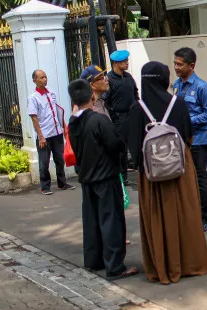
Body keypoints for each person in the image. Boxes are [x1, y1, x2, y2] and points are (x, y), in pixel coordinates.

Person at [126, 61, 207, 285]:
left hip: (151, 174)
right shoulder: (178, 103)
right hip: (180, 169)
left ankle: (162, 267)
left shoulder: (137, 108)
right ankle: (189, 262)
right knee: (185, 214)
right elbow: (188, 135)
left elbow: (134, 148)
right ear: (164, 79)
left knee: (158, 217)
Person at [67, 79, 137, 281]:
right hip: (106, 176)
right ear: (92, 96)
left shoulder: (74, 122)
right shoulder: (99, 120)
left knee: (92, 221)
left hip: (87, 177)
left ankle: (93, 260)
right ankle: (114, 266)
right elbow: (116, 144)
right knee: (111, 222)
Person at [81, 64, 132, 247]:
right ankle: (111, 244)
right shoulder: (91, 109)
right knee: (108, 210)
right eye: (101, 77)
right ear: (92, 85)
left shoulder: (101, 102)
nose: (106, 79)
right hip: (103, 169)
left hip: (106, 167)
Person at [173, 47, 207, 232]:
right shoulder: (177, 85)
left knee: (199, 179)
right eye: (175, 63)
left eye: (180, 64)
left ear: (191, 66)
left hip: (200, 139)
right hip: (185, 139)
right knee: (193, 178)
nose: (176, 67)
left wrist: (187, 121)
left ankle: (203, 216)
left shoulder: (201, 87)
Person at [27, 70, 74, 195]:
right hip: (44, 135)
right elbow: (34, 118)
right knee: (44, 162)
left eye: (45, 77)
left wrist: (64, 127)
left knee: (60, 159)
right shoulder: (33, 98)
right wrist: (41, 136)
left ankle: (62, 183)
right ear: (35, 80)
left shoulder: (51, 94)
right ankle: (45, 186)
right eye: (41, 78)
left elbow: (57, 111)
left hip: (56, 132)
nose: (44, 80)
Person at [105, 49, 139, 184]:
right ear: (116, 63)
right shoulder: (109, 79)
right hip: (119, 118)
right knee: (121, 149)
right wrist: (113, 117)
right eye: (124, 61)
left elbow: (135, 94)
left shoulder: (128, 77)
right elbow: (106, 101)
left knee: (135, 144)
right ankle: (122, 176)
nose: (127, 63)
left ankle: (137, 169)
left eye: (127, 61)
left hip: (132, 115)